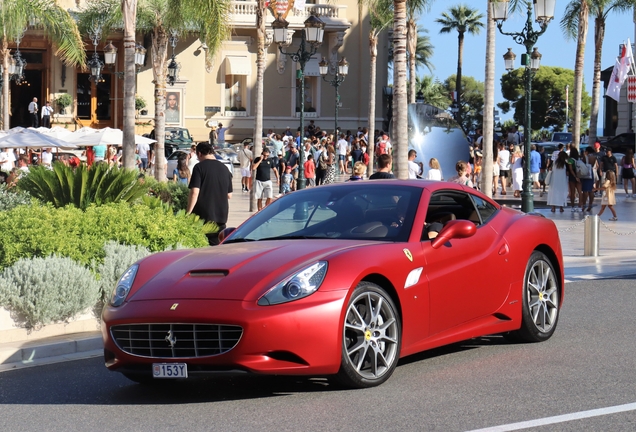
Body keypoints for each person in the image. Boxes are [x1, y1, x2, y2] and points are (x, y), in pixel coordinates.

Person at [187, 142, 233, 245]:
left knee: (202, 247)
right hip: (221, 216)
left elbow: (194, 192)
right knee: (217, 248)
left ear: (199, 153)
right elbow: (229, 195)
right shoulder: (225, 169)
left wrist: (188, 213)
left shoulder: (199, 167)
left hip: (203, 217)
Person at [580, 147, 596, 212]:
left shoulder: (585, 157)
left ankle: (584, 205)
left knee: (585, 190)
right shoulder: (594, 157)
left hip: (585, 173)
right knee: (591, 190)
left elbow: (583, 164)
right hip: (591, 173)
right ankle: (590, 204)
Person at [566, 147, 583, 212]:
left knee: (572, 192)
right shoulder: (579, 159)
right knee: (580, 192)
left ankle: (572, 206)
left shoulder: (570, 160)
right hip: (579, 175)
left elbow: (570, 169)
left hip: (572, 177)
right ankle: (580, 206)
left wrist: (575, 176)